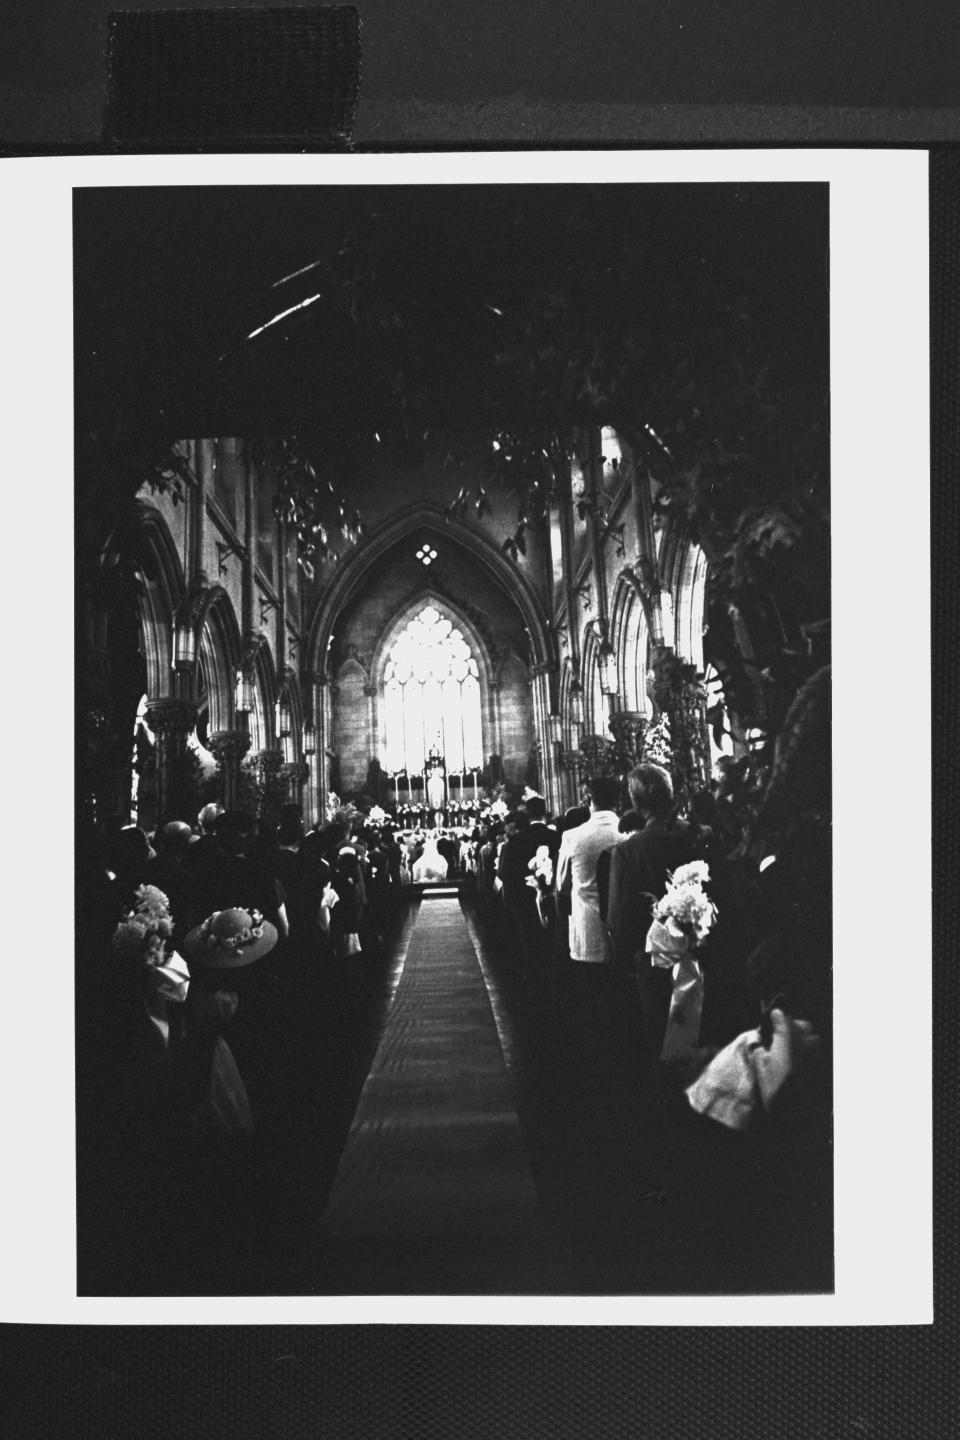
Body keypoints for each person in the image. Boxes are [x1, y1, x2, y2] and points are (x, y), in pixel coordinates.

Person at [606, 762, 700, 1060]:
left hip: (654, 966)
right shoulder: (698, 835)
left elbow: (619, 922)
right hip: (705, 957)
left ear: (635, 803)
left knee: (663, 1046)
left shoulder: (629, 851)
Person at [556, 774, 623, 967]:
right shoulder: (627, 834)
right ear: (618, 800)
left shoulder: (572, 836)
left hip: (588, 932)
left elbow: (562, 885)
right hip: (623, 932)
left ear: (589, 799)